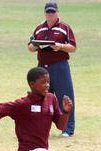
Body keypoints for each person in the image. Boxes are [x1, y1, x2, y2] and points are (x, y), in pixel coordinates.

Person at [28, 1, 76, 137]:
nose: (50, 14)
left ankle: (68, 128)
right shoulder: (39, 28)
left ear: (57, 13)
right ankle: (40, 127)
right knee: (40, 97)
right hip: (42, 67)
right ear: (45, 13)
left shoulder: (64, 27)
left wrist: (60, 46)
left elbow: (73, 47)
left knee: (65, 95)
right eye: (48, 12)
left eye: (53, 12)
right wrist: (36, 46)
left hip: (59, 66)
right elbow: (30, 46)